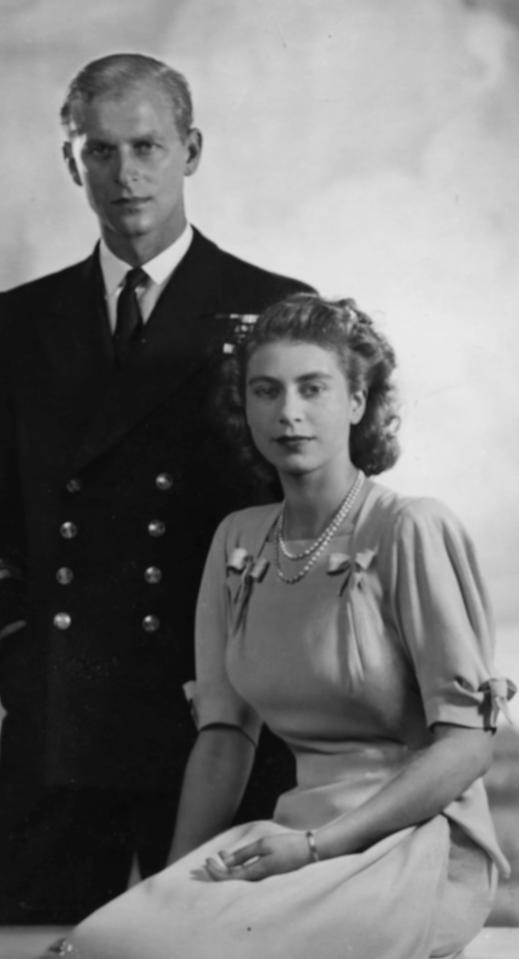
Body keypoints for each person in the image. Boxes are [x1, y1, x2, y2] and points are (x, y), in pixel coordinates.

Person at [0, 53, 314, 925]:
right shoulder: (22, 318)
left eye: (147, 145)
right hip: (63, 714)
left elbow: (314, 521)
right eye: (101, 150)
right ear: (71, 162)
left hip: (221, 726)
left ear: (191, 150)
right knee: (5, 942)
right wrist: (24, 658)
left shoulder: (275, 310)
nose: (127, 174)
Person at [51, 293, 514, 959]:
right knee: (106, 943)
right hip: (291, 837)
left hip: (413, 842)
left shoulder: (408, 526)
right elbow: (222, 740)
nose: (287, 412)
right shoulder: (237, 541)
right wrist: (170, 888)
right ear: (245, 405)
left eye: (312, 388)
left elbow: (467, 747)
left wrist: (316, 846)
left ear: (356, 402)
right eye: (265, 390)